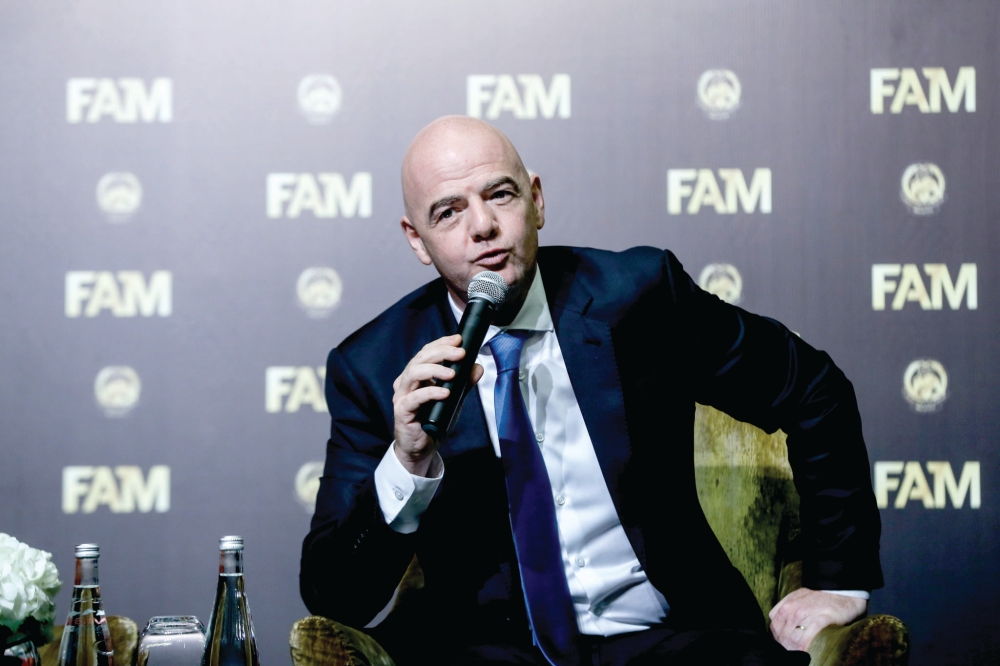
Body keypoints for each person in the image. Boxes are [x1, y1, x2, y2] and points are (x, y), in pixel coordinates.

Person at [300, 116, 883, 665]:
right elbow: (336, 596)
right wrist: (407, 460)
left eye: (499, 195)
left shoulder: (639, 294)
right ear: (417, 240)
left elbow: (813, 388)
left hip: (671, 638)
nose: (482, 226)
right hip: (489, 649)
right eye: (448, 212)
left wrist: (837, 579)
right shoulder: (374, 367)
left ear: (537, 200)